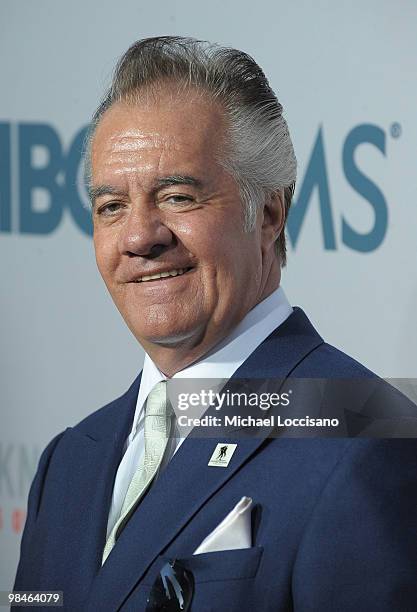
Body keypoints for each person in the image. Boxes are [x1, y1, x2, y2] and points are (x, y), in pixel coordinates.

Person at [13, 36, 417, 611]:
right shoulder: (69, 461)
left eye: (177, 196)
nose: (138, 237)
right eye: (111, 207)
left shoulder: (368, 438)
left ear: (269, 214)